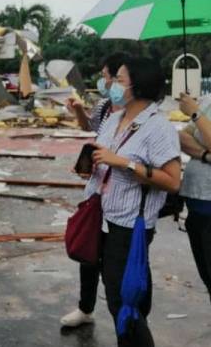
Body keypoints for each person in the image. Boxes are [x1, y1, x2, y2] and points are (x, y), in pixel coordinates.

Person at [83, 57, 180, 346]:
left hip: (130, 227)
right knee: (122, 294)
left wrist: (125, 164)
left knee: (126, 302)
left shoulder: (157, 127)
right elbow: (105, 156)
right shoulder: (115, 118)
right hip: (104, 218)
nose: (111, 84)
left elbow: (173, 181)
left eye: (120, 80)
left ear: (138, 86)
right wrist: (90, 164)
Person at [61, 52, 127, 328]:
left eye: (106, 76)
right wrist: (78, 110)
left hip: (123, 197)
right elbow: (91, 128)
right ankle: (85, 308)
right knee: (88, 251)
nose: (103, 81)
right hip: (97, 190)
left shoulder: (136, 113)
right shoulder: (103, 107)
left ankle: (128, 318)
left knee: (117, 264)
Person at [178, 92, 211, 303]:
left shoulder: (199, 109)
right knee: (207, 276)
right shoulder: (209, 100)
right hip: (196, 204)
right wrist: (206, 155)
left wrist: (195, 113)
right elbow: (182, 137)